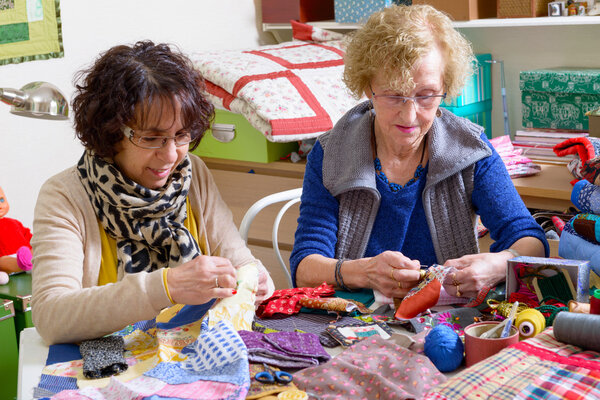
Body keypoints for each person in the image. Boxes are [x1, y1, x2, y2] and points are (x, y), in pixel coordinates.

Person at [290, 5, 548, 303]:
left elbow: (531, 240)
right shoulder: (331, 154)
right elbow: (305, 266)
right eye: (393, 95)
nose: (410, 115)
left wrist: (499, 264)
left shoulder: (471, 150)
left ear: (445, 87)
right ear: (367, 88)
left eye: (426, 95)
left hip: (445, 322)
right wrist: (365, 271)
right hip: (351, 320)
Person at [31, 41, 275, 344]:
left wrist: (258, 280)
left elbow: (240, 260)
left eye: (181, 135)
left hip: (190, 351)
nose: (171, 155)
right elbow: (51, 316)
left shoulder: (192, 173)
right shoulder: (64, 196)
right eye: (151, 138)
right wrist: (167, 286)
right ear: (110, 132)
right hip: (111, 362)